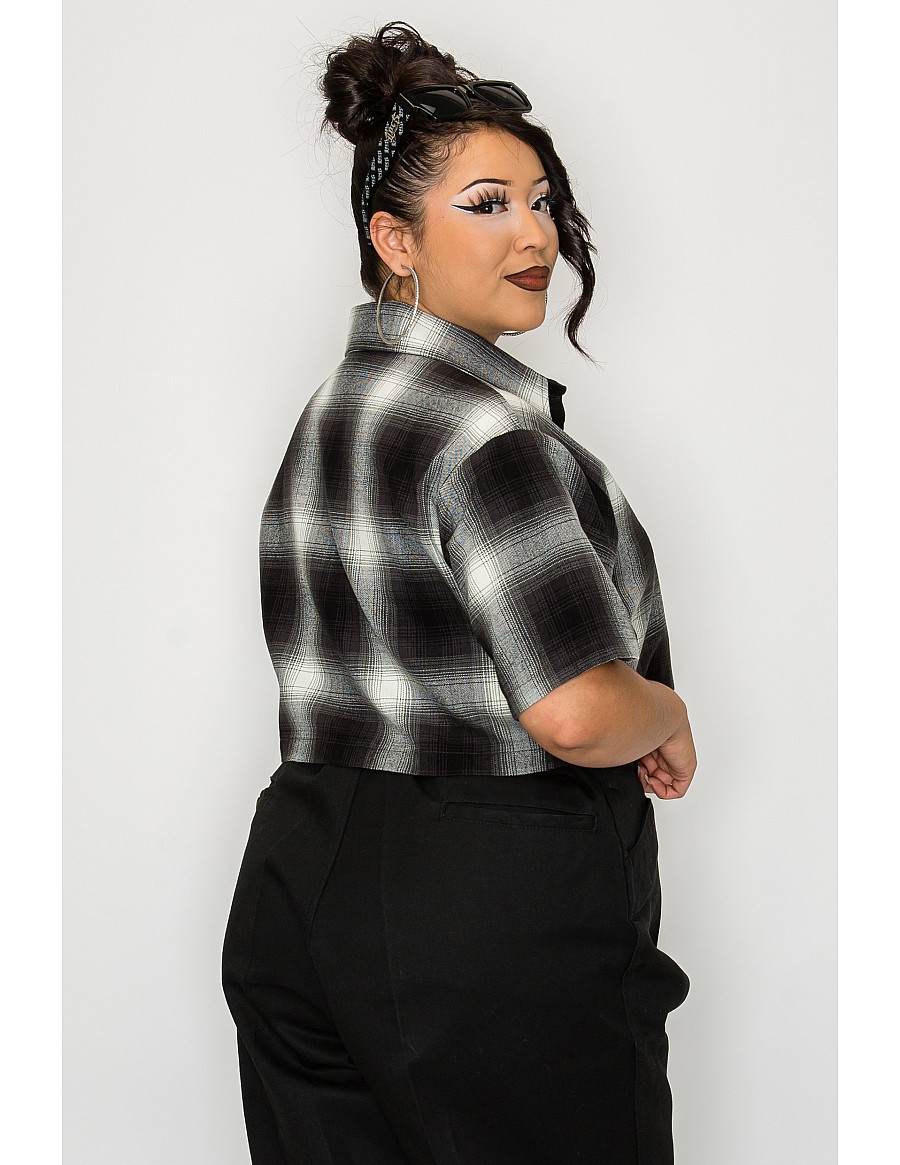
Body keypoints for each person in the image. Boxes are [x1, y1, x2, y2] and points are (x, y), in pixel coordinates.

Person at [222, 19, 697, 1165]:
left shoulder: (331, 416)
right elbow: (574, 709)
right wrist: (664, 710)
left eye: (541, 200)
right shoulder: (492, 438)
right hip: (489, 897)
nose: (534, 234)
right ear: (395, 238)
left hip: (299, 871)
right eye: (487, 204)